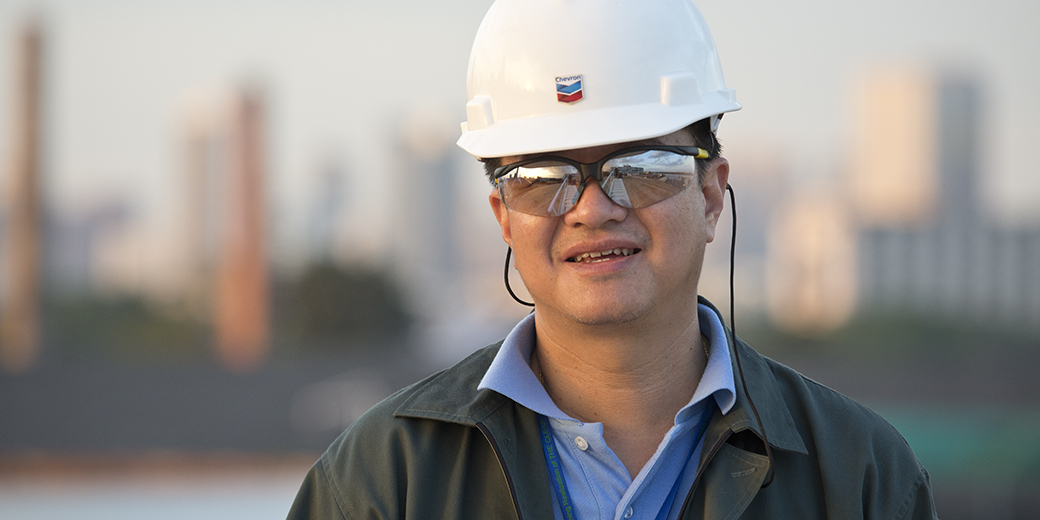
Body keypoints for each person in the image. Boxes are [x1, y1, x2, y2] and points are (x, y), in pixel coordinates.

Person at [287, 0, 938, 518]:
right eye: (542, 175)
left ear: (711, 194)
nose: (592, 209)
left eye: (641, 167)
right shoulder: (380, 483)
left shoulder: (860, 478)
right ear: (503, 219)